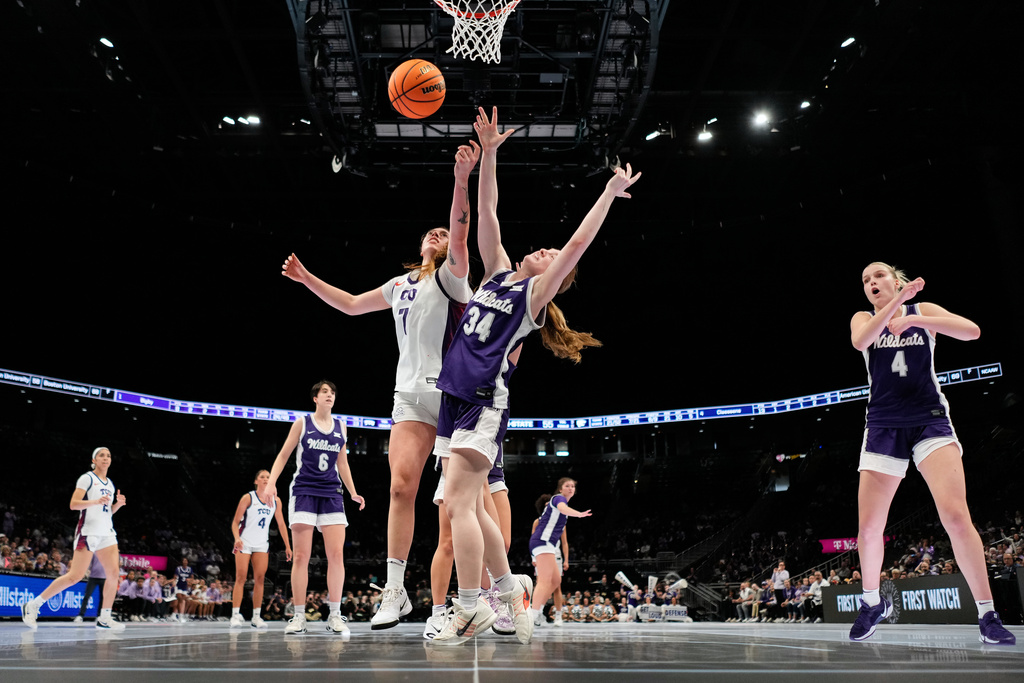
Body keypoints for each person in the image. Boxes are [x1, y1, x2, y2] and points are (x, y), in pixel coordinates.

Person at [430, 107, 639, 646]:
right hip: (452, 398)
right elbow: (488, 212)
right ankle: (510, 590)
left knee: (458, 505)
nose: (545, 250)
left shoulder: (532, 297)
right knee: (473, 505)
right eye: (544, 249)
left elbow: (575, 246)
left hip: (483, 400)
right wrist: (489, 154)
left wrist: (607, 195)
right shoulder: (498, 274)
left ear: (553, 279)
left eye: (550, 256)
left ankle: (471, 607)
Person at [281, 145, 479, 631]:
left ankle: (478, 595)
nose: (438, 234)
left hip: (452, 397)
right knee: (400, 487)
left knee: (457, 506)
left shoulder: (453, 277)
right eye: (431, 232)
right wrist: (307, 279)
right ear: (419, 245)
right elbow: (351, 305)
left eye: (443, 232)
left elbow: (461, 229)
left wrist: (461, 179)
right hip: (408, 395)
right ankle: (395, 590)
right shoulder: (400, 284)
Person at [848, 263, 1015, 645]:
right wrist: (896, 309)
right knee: (869, 529)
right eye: (866, 280)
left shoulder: (921, 311)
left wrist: (912, 319)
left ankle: (987, 614)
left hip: (929, 420)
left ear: (896, 281)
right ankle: (871, 603)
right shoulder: (863, 318)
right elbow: (860, 341)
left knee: (956, 515)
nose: (871, 283)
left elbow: (972, 331)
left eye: (878, 276)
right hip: (884, 425)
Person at [265, 380, 365, 636]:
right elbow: (284, 454)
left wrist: (353, 492)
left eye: (332, 392)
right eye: (325, 392)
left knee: (336, 555)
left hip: (332, 493)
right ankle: (299, 616)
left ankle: (335, 615)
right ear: (315, 398)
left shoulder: (341, 426)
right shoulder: (302, 423)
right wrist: (271, 483)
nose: (330, 395)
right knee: (301, 556)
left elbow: (342, 463)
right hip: (304, 491)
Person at [21, 447, 127, 631]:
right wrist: (95, 501)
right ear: (94, 460)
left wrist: (118, 505)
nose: (106, 458)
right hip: (88, 532)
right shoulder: (87, 478)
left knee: (113, 574)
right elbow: (73, 504)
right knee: (75, 576)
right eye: (101, 455)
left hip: (107, 533)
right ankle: (33, 605)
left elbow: (106, 512)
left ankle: (104, 618)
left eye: (108, 455)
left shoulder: (110, 483)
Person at [229, 469, 292, 629]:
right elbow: (235, 522)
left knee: (260, 579)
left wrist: (287, 545)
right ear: (256, 481)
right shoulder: (248, 497)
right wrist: (237, 538)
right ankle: (235, 615)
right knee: (241, 578)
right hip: (244, 542)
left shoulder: (276, 500)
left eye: (268, 477)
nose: (265, 479)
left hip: (261, 544)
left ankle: (256, 617)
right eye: (262, 477)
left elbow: (281, 524)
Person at [530, 480, 589, 629]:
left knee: (556, 581)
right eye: (567, 486)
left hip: (549, 546)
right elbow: (563, 508)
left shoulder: (560, 513)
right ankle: (531, 616)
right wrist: (579, 514)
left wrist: (566, 559)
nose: (570, 488)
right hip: (542, 542)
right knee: (543, 581)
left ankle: (538, 610)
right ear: (560, 489)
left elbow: (564, 542)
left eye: (573, 486)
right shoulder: (558, 499)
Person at [530, 493, 569, 626]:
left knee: (557, 585)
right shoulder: (538, 522)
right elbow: (533, 539)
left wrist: (566, 560)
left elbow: (565, 543)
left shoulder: (561, 522)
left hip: (555, 554)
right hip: (541, 553)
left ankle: (558, 616)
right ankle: (537, 612)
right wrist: (533, 557)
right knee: (541, 583)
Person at [73, 553, 107, 623]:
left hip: (104, 578)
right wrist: (84, 572)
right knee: (86, 596)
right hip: (93, 578)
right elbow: (88, 563)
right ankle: (80, 615)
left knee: (103, 598)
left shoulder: (108, 553)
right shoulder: (94, 552)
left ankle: (99, 616)